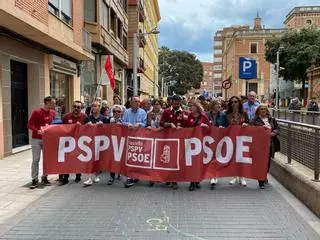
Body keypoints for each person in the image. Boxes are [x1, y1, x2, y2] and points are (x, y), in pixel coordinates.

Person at [159, 95, 188, 189]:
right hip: (168, 139)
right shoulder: (166, 111)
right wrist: (170, 124)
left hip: (179, 140)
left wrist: (182, 128)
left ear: (180, 103)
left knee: (176, 160)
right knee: (168, 159)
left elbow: (187, 126)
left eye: (177, 103)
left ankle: (174, 180)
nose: (176, 104)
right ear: (171, 102)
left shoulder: (184, 112)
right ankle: (168, 178)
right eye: (174, 103)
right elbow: (161, 123)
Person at [27, 96, 56, 189]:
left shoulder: (53, 113)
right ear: (47, 102)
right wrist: (37, 131)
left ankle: (45, 177)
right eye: (52, 103)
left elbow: (53, 124)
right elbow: (29, 124)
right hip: (36, 139)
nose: (54, 105)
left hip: (47, 139)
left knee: (47, 159)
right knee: (36, 159)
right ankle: (34, 179)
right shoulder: (37, 112)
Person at [252, 104, 280, 189]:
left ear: (267, 111)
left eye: (265, 109)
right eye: (261, 109)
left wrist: (274, 133)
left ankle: (264, 175)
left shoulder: (272, 119)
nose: (263, 110)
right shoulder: (254, 120)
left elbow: (278, 128)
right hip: (260, 145)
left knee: (268, 162)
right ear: (258, 111)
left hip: (270, 144)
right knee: (261, 162)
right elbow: (251, 130)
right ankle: (261, 180)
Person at [60, 100, 88, 185]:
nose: (76, 108)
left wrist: (81, 127)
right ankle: (65, 177)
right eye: (75, 106)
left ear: (81, 108)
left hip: (79, 142)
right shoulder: (66, 116)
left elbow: (87, 129)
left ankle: (78, 175)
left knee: (78, 158)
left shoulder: (84, 117)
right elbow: (61, 128)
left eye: (78, 107)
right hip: (68, 142)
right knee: (67, 160)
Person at [122, 97, 147, 188]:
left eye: (138, 101)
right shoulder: (126, 112)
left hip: (139, 138)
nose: (137, 103)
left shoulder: (143, 112)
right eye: (135, 101)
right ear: (131, 102)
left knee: (138, 157)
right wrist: (127, 124)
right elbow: (123, 122)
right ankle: (130, 177)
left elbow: (145, 124)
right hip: (129, 138)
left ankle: (136, 174)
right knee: (129, 157)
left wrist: (139, 124)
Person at [185, 100, 210, 191]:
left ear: (197, 107)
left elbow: (210, 127)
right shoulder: (189, 116)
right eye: (189, 106)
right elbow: (186, 128)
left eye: (192, 106)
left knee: (198, 162)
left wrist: (205, 126)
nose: (190, 108)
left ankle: (197, 180)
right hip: (191, 142)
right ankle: (192, 181)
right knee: (192, 162)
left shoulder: (203, 116)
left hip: (200, 142)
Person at [226, 96, 249, 186]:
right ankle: (234, 176)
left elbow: (249, 123)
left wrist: (246, 124)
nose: (233, 104)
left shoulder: (244, 113)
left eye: (235, 102)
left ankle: (242, 177)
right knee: (233, 157)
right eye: (232, 102)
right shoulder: (227, 114)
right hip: (231, 138)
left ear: (239, 103)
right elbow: (224, 125)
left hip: (242, 138)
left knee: (241, 157)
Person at [83, 101, 107, 186]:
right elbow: (83, 129)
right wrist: (87, 125)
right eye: (92, 106)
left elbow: (108, 131)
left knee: (97, 159)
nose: (93, 108)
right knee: (90, 159)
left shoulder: (103, 118)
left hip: (100, 142)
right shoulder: (88, 118)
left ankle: (97, 175)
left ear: (99, 108)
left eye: (95, 106)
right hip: (90, 142)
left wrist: (102, 125)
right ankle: (89, 178)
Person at [206, 100, 228, 189]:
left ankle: (214, 176)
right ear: (212, 105)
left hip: (219, 139)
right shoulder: (207, 114)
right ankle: (212, 176)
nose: (219, 106)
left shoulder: (223, 115)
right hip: (209, 139)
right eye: (216, 104)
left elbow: (227, 126)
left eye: (219, 104)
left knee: (216, 157)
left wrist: (223, 128)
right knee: (210, 157)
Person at [106, 104, 123, 185]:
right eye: (114, 111)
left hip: (121, 142)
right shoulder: (109, 120)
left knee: (120, 158)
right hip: (111, 142)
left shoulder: (124, 121)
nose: (116, 113)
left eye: (118, 111)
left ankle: (119, 172)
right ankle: (112, 176)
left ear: (121, 113)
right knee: (112, 159)